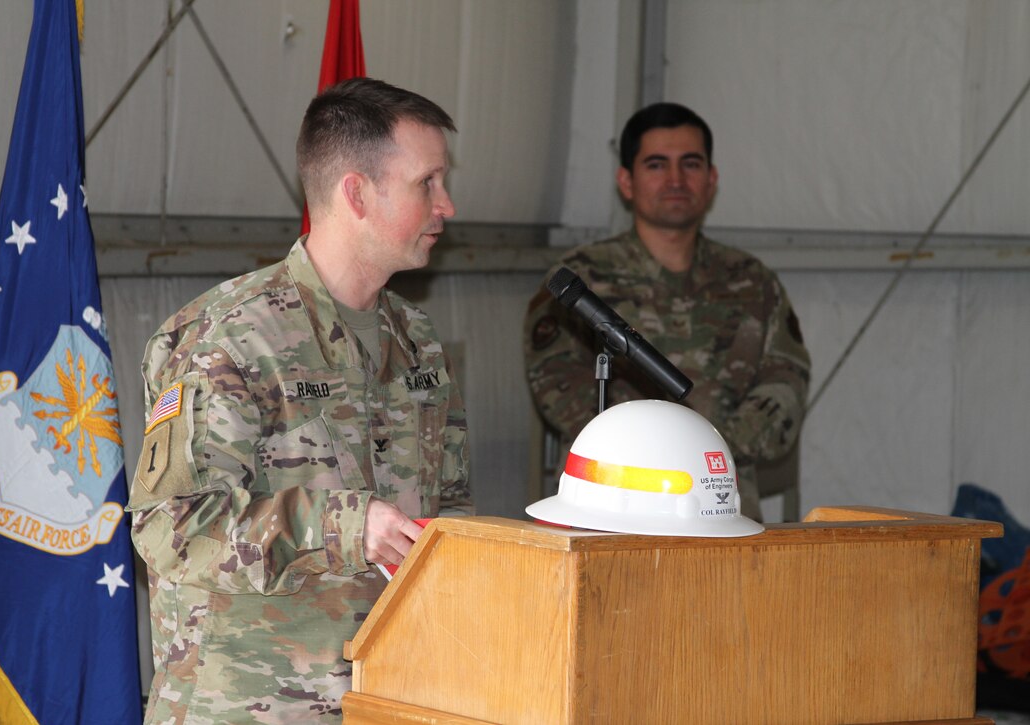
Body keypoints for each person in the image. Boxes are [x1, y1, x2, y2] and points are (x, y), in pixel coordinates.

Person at [127, 77, 472, 723]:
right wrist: (346, 523)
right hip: (247, 707)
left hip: (389, 698)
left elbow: (449, 509)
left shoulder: (417, 340)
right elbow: (170, 528)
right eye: (428, 182)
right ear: (357, 193)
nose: (446, 204)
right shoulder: (229, 336)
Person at [524, 102, 810, 520]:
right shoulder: (581, 282)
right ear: (626, 180)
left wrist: (708, 449)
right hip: (614, 498)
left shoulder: (753, 281)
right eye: (657, 164)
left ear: (711, 179)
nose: (676, 179)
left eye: (690, 164)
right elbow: (555, 383)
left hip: (722, 502)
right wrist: (655, 452)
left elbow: (786, 380)